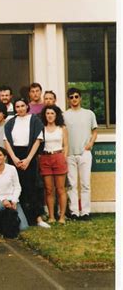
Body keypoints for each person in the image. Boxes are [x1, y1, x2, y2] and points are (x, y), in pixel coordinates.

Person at [4, 98, 50, 228]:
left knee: (32, 187)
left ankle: (38, 218)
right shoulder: (10, 122)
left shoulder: (35, 120)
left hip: (29, 155)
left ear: (27, 106)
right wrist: (13, 158)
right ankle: (20, 217)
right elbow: (6, 140)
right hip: (15, 156)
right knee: (17, 187)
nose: (20, 109)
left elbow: (38, 140)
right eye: (17, 106)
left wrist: (28, 159)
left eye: (22, 106)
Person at [64, 88, 98, 221]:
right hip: (70, 154)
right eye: (71, 97)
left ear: (80, 98)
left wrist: (91, 143)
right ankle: (74, 212)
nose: (74, 99)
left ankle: (85, 212)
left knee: (85, 184)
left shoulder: (89, 114)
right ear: (68, 99)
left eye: (76, 96)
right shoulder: (64, 115)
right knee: (72, 184)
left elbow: (94, 131)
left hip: (85, 152)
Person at [0, 147, 29, 231]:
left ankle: (9, 220)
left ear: (5, 157)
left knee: (24, 228)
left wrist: (14, 200)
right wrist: (3, 200)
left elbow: (17, 187)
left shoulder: (11, 169)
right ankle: (1, 223)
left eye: (0, 155)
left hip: (12, 200)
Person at [40, 105, 68, 224]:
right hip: (45, 158)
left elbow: (66, 145)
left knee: (60, 189)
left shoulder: (61, 128)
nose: (50, 116)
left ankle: (62, 217)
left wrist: (64, 157)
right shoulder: (42, 129)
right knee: (49, 189)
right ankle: (51, 216)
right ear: (45, 115)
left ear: (56, 115)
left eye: (52, 113)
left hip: (58, 157)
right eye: (48, 113)